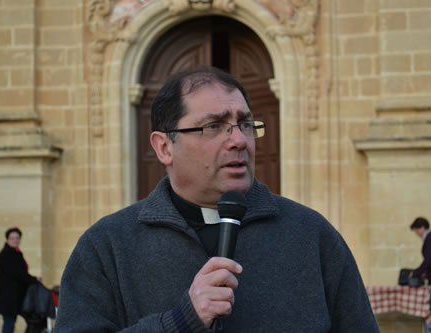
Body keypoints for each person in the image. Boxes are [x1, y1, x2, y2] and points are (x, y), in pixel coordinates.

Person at [55, 66, 379, 332]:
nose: (239, 140)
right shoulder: (106, 246)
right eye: (214, 125)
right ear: (164, 147)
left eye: (245, 124)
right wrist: (180, 322)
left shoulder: (311, 235)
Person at [0, 227, 40, 333]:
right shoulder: (8, 254)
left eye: (17, 238)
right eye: (12, 238)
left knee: (11, 322)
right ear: (7, 240)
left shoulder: (14, 253)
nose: (15, 240)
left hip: (13, 297)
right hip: (9, 297)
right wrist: (34, 279)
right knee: (9, 323)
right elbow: (19, 274)